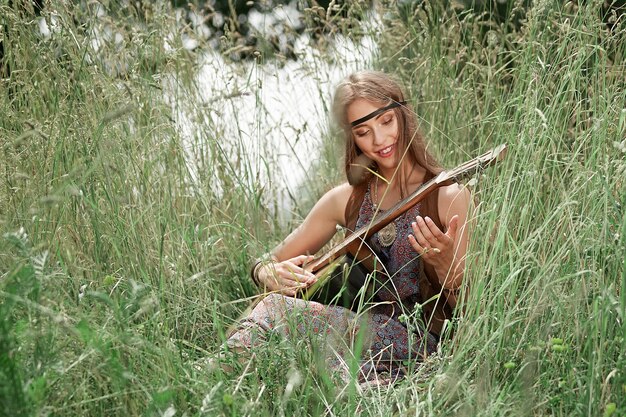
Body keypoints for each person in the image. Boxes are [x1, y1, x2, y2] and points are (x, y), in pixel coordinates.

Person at [224, 70, 471, 384]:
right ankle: (211, 389)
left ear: (403, 116)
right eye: (364, 131)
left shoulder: (448, 196)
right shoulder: (345, 200)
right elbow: (269, 262)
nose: (379, 140)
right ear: (352, 137)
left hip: (424, 347)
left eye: (386, 122)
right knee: (273, 318)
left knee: (275, 312)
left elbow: (469, 310)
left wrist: (447, 265)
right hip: (360, 335)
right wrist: (266, 271)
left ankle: (204, 387)